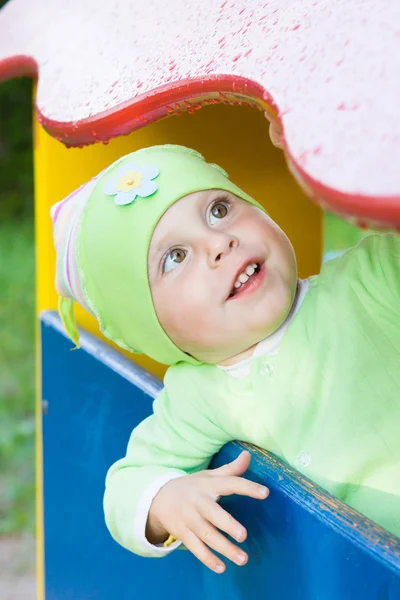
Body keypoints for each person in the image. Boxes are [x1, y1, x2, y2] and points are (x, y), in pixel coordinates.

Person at [51, 144, 400, 574]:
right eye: (175, 258)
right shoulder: (199, 393)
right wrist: (166, 501)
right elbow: (127, 486)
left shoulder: (372, 279)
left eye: (219, 209)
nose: (218, 242)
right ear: (153, 328)